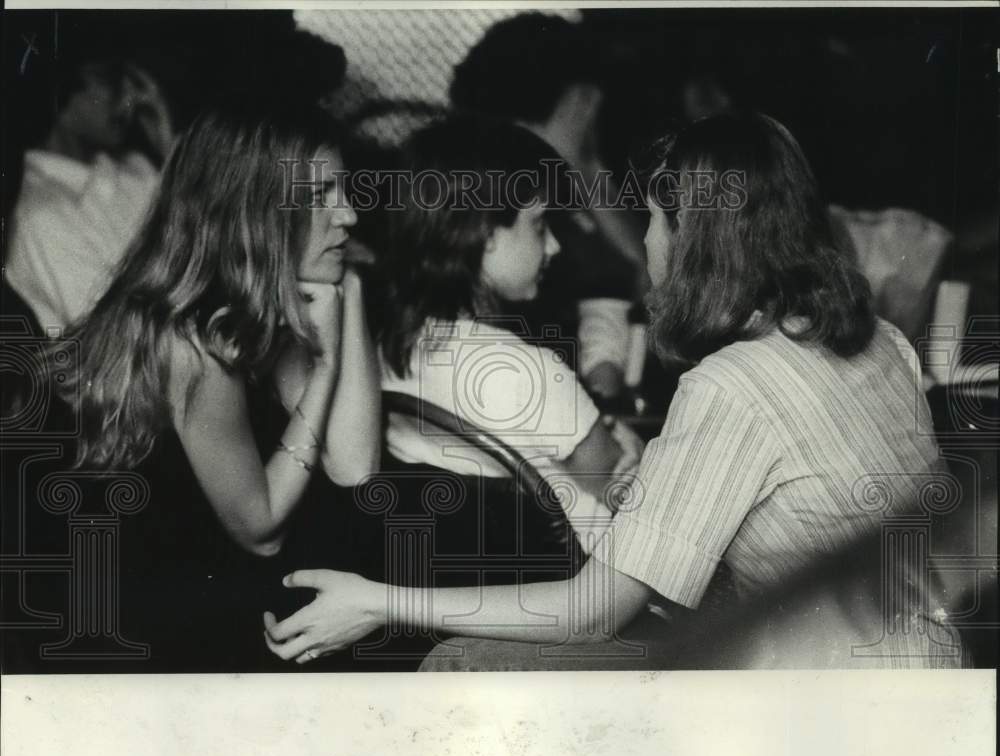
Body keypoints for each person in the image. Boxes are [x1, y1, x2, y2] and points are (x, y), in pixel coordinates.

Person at [264, 112, 963, 670]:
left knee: (462, 666)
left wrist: (375, 600)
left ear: (697, 239)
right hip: (928, 668)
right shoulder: (888, 343)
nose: (643, 240)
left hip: (820, 694)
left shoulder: (727, 388)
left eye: (655, 220)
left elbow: (594, 609)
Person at [52, 106, 380, 668]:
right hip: (165, 633)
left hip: (218, 587)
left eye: (343, 189)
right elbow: (262, 531)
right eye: (322, 193)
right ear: (254, 210)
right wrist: (326, 366)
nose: (348, 214)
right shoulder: (188, 345)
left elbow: (354, 468)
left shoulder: (247, 311)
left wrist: (350, 288)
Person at [370, 116, 644, 553]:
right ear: (480, 233)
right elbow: (618, 483)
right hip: (594, 584)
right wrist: (634, 450)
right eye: (538, 225)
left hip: (475, 576)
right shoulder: (527, 371)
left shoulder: (391, 347)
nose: (553, 246)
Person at [450, 12, 647, 403]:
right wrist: (578, 160)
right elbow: (641, 273)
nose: (594, 111)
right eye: (587, 99)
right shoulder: (507, 192)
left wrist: (584, 163)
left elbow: (640, 272)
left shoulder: (563, 184)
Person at [6, 23, 176, 331]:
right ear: (61, 95)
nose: (130, 100)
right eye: (112, 83)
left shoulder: (137, 168)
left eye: (132, 83)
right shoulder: (41, 216)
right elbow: (112, 335)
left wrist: (166, 145)